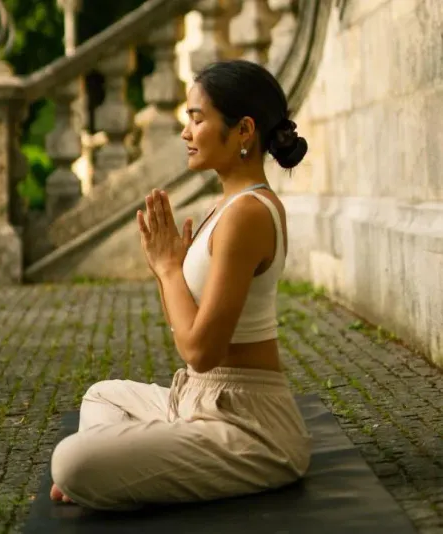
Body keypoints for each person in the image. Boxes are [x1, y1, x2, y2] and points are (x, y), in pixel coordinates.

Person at [50, 59, 312, 509]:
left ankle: (105, 468)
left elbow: (201, 352)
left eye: (197, 118)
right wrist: (164, 270)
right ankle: (123, 463)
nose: (186, 133)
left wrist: (170, 270)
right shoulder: (226, 207)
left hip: (249, 427)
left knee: (71, 461)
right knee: (101, 394)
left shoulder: (248, 214)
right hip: (198, 399)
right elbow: (187, 329)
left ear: (244, 130)